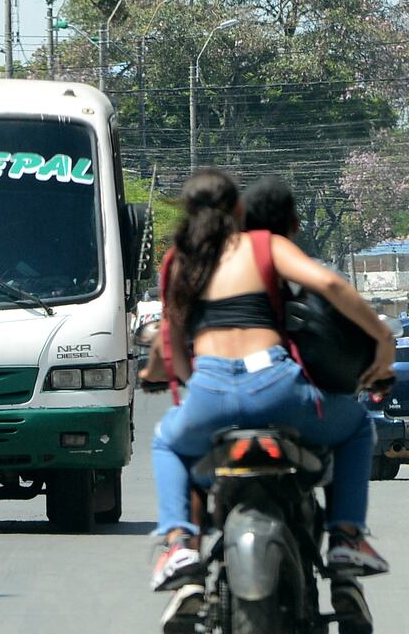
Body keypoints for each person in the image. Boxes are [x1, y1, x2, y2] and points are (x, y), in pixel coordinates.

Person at [145, 169, 394, 597]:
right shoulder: (263, 244)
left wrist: (204, 385)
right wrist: (383, 340)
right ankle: (346, 537)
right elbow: (330, 284)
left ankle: (179, 543)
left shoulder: (180, 261)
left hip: (210, 392)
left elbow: (174, 350)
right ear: (238, 209)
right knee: (354, 423)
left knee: (167, 440)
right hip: (277, 385)